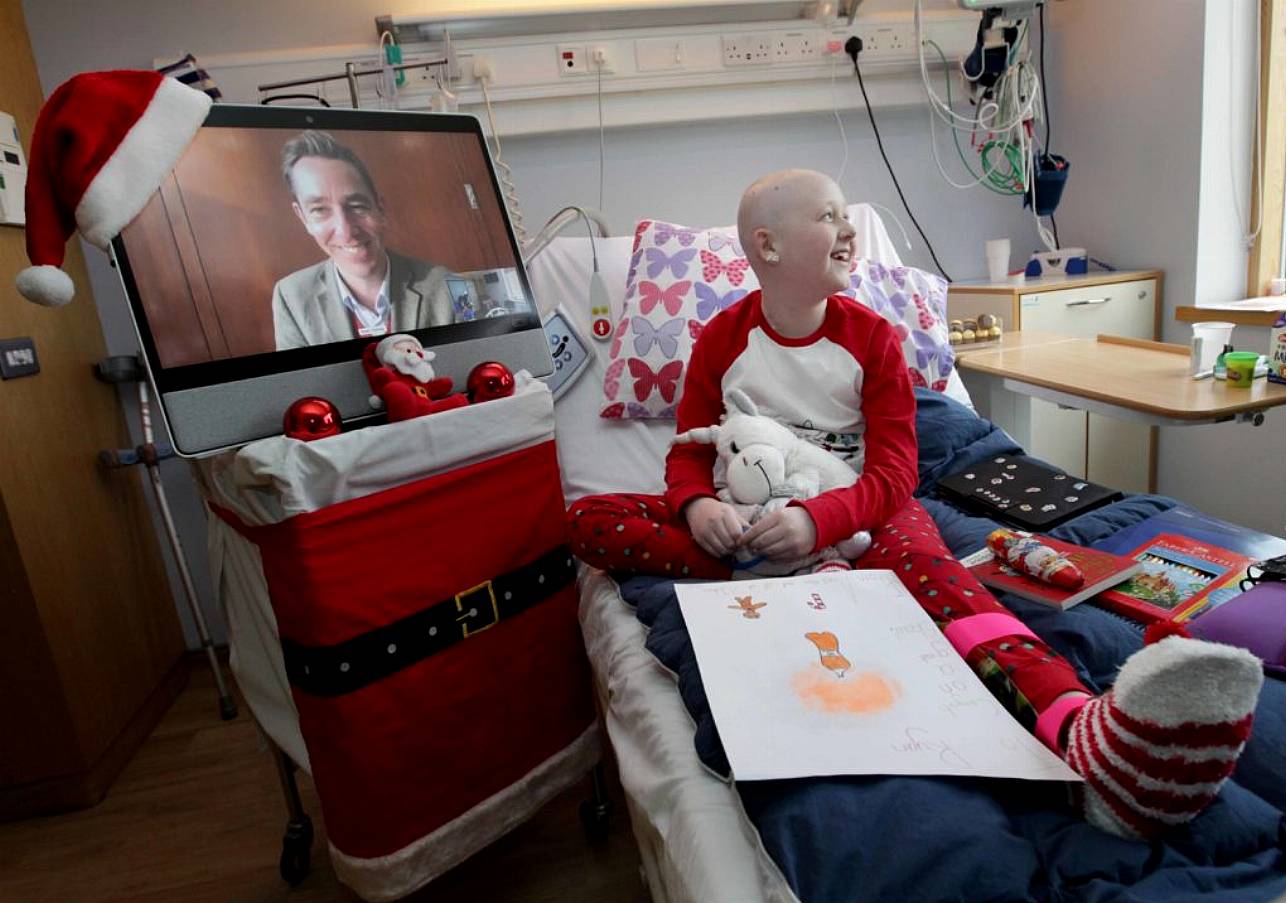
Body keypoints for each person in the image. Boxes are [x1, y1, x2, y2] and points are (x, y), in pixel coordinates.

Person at [568, 169, 1263, 841]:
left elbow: (896, 469)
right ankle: (789, 570)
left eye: (848, 216)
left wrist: (820, 520)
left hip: (860, 509)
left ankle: (1078, 729)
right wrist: (696, 509)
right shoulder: (722, 339)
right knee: (591, 521)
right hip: (745, 516)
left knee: (942, 576)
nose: (848, 230)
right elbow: (688, 451)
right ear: (767, 247)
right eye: (828, 216)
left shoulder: (871, 337)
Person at [272, 130, 456, 350]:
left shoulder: (446, 285)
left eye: (357, 206)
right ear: (303, 218)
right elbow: (297, 383)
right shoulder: (290, 296)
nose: (346, 231)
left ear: (381, 209)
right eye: (320, 210)